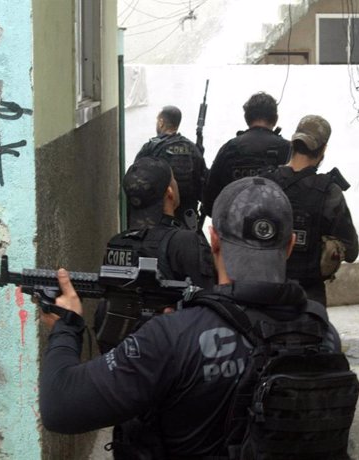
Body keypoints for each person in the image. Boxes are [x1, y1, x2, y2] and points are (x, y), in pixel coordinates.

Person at [39, 177, 341, 458]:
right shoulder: (322, 332)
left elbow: (60, 405)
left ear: (214, 241)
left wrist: (67, 326)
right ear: (289, 246)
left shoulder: (172, 338)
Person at [96, 157, 215, 352]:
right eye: (173, 180)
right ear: (169, 192)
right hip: (170, 359)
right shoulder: (184, 242)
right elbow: (209, 309)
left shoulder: (117, 242)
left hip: (123, 360)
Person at [262, 114, 359, 306]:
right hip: (309, 300)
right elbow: (352, 251)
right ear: (323, 150)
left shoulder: (265, 184)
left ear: (293, 144)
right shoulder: (330, 192)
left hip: (266, 294)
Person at [202, 92, 290, 216]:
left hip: (233, 228)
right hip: (275, 228)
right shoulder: (288, 149)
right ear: (275, 119)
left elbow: (210, 200)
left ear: (246, 118)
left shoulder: (229, 148)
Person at [134, 105, 208, 230]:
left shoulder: (151, 147)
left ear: (161, 122)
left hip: (158, 217)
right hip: (187, 218)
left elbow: (135, 180)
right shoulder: (192, 148)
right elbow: (203, 184)